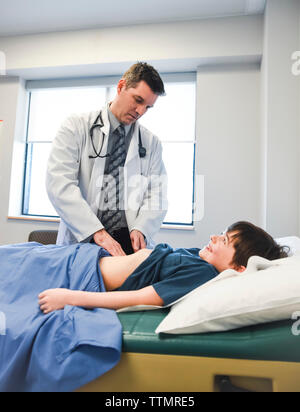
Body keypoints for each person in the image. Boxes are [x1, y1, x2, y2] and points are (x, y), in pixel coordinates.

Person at [46, 62, 168, 256]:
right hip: (85, 236)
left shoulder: (151, 143)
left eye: (148, 107)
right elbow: (59, 184)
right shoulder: (76, 127)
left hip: (129, 243)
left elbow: (157, 194)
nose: (140, 111)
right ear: (121, 87)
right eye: (137, 100)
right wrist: (97, 232)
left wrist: (142, 228)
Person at [38, 221, 288, 314]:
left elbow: (137, 298)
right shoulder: (200, 259)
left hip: (80, 275)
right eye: (221, 233)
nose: (213, 237)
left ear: (239, 267)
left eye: (224, 240)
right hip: (84, 257)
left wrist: (69, 298)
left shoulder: (202, 274)